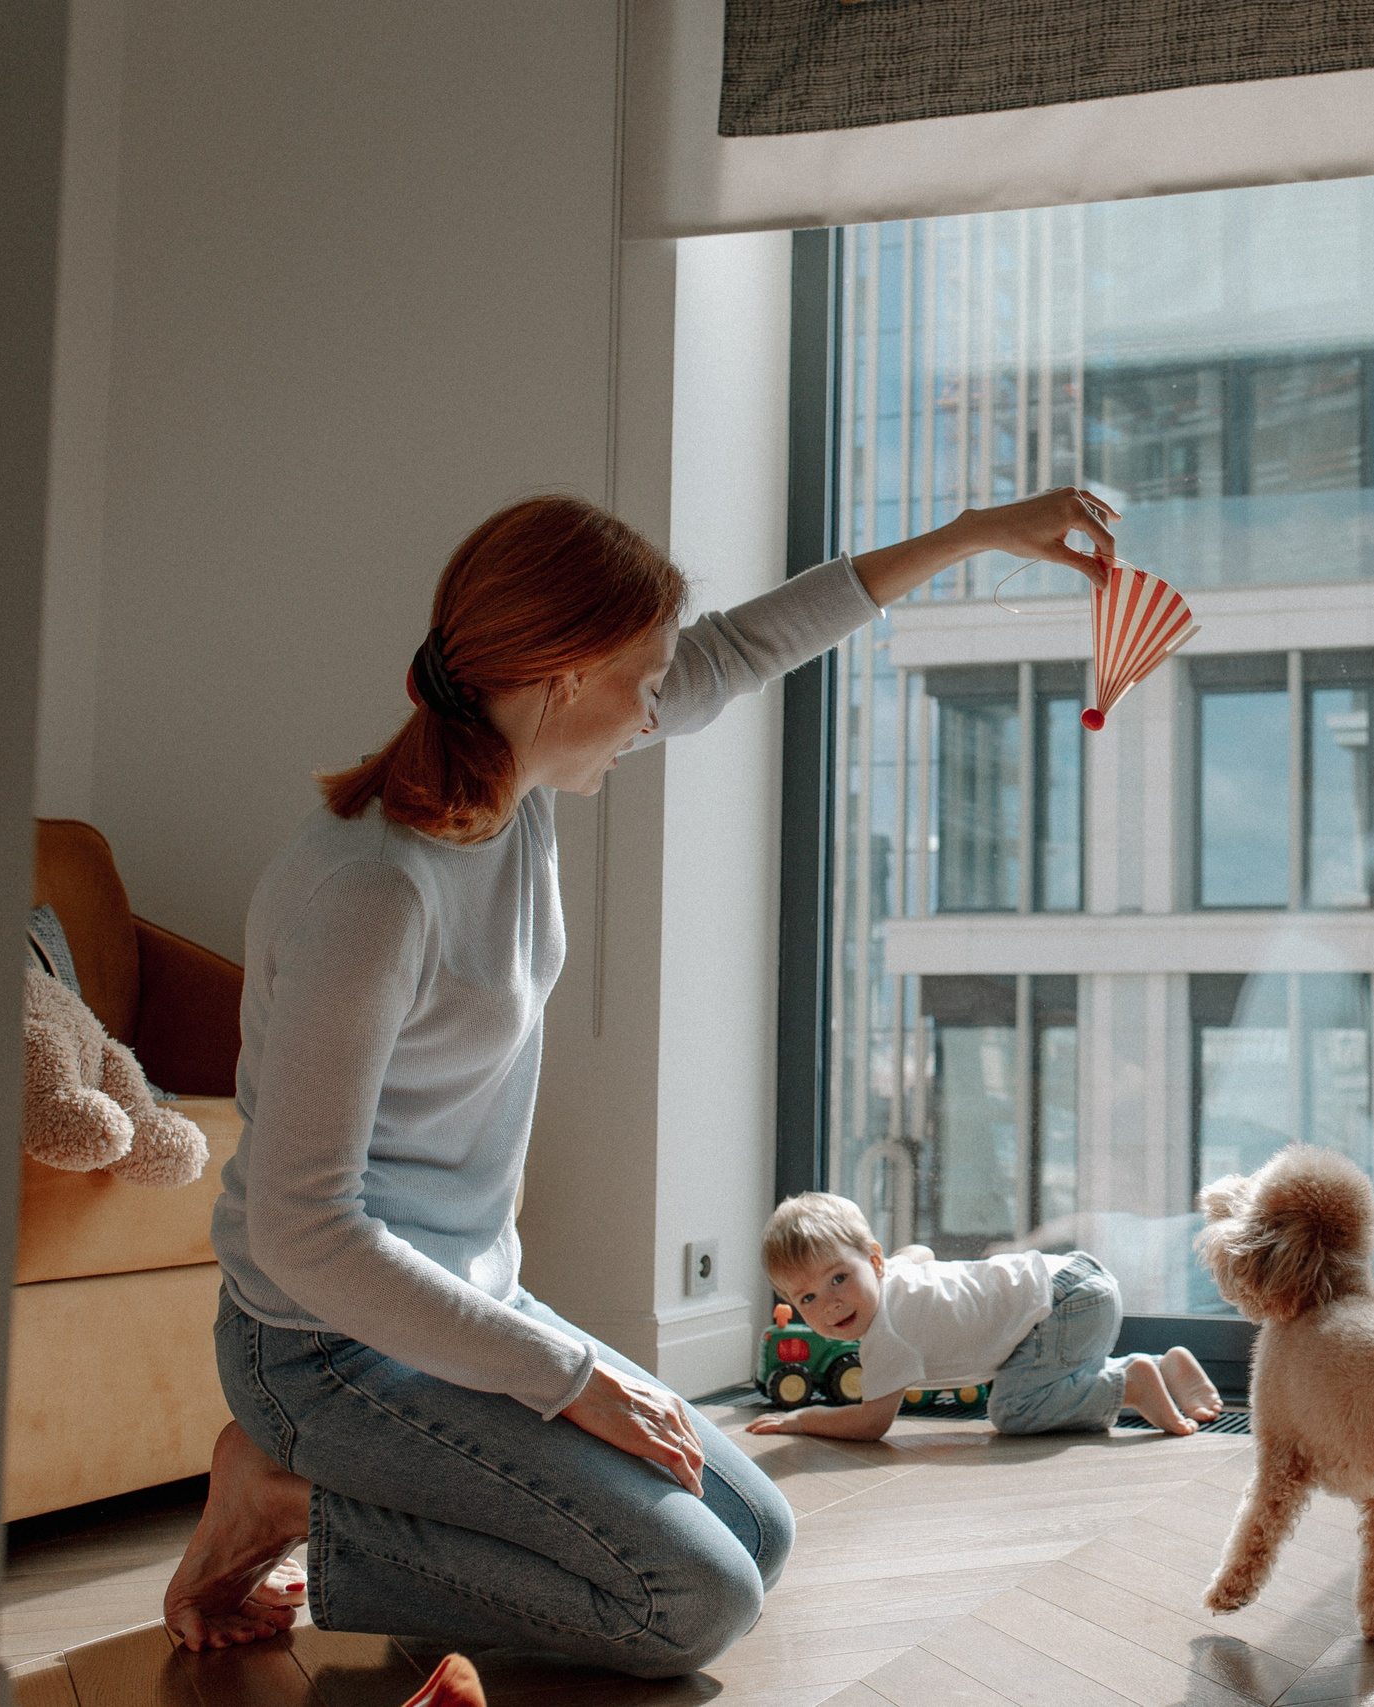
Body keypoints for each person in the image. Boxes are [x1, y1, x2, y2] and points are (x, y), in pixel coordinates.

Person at [163, 486, 1123, 1667]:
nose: (657, 708)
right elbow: (305, 1233)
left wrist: (973, 533)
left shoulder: (508, 797)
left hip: (468, 1307)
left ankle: (411, 1526)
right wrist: (569, 1381)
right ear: (564, 675)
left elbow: (741, 650)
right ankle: (287, 1499)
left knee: (755, 1534)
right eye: (643, 678)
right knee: (690, 1604)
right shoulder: (371, 892)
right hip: (322, 1346)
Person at [746, 1192, 1223, 1441]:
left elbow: (872, 1425)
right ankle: (1166, 1368)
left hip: (1064, 1305)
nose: (830, 1305)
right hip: (1077, 1282)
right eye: (806, 1299)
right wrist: (886, 1266)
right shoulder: (892, 1271)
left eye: (837, 1280)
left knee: (1012, 1410)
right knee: (1031, 1378)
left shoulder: (885, 1336)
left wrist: (804, 1419)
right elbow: (919, 1250)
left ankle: (1129, 1382)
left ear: (872, 1262)